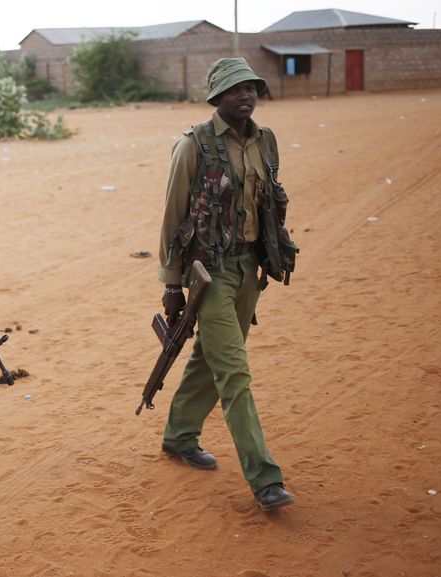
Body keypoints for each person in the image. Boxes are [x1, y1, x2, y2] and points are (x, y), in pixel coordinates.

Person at [157, 57, 296, 512]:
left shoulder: (266, 141)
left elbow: (269, 201)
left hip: (248, 271)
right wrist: (173, 284)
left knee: (211, 356)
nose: (246, 95)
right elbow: (173, 215)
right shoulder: (193, 144)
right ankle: (265, 479)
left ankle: (179, 436)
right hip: (208, 272)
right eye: (236, 89)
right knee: (234, 371)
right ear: (216, 96)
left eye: (252, 87)